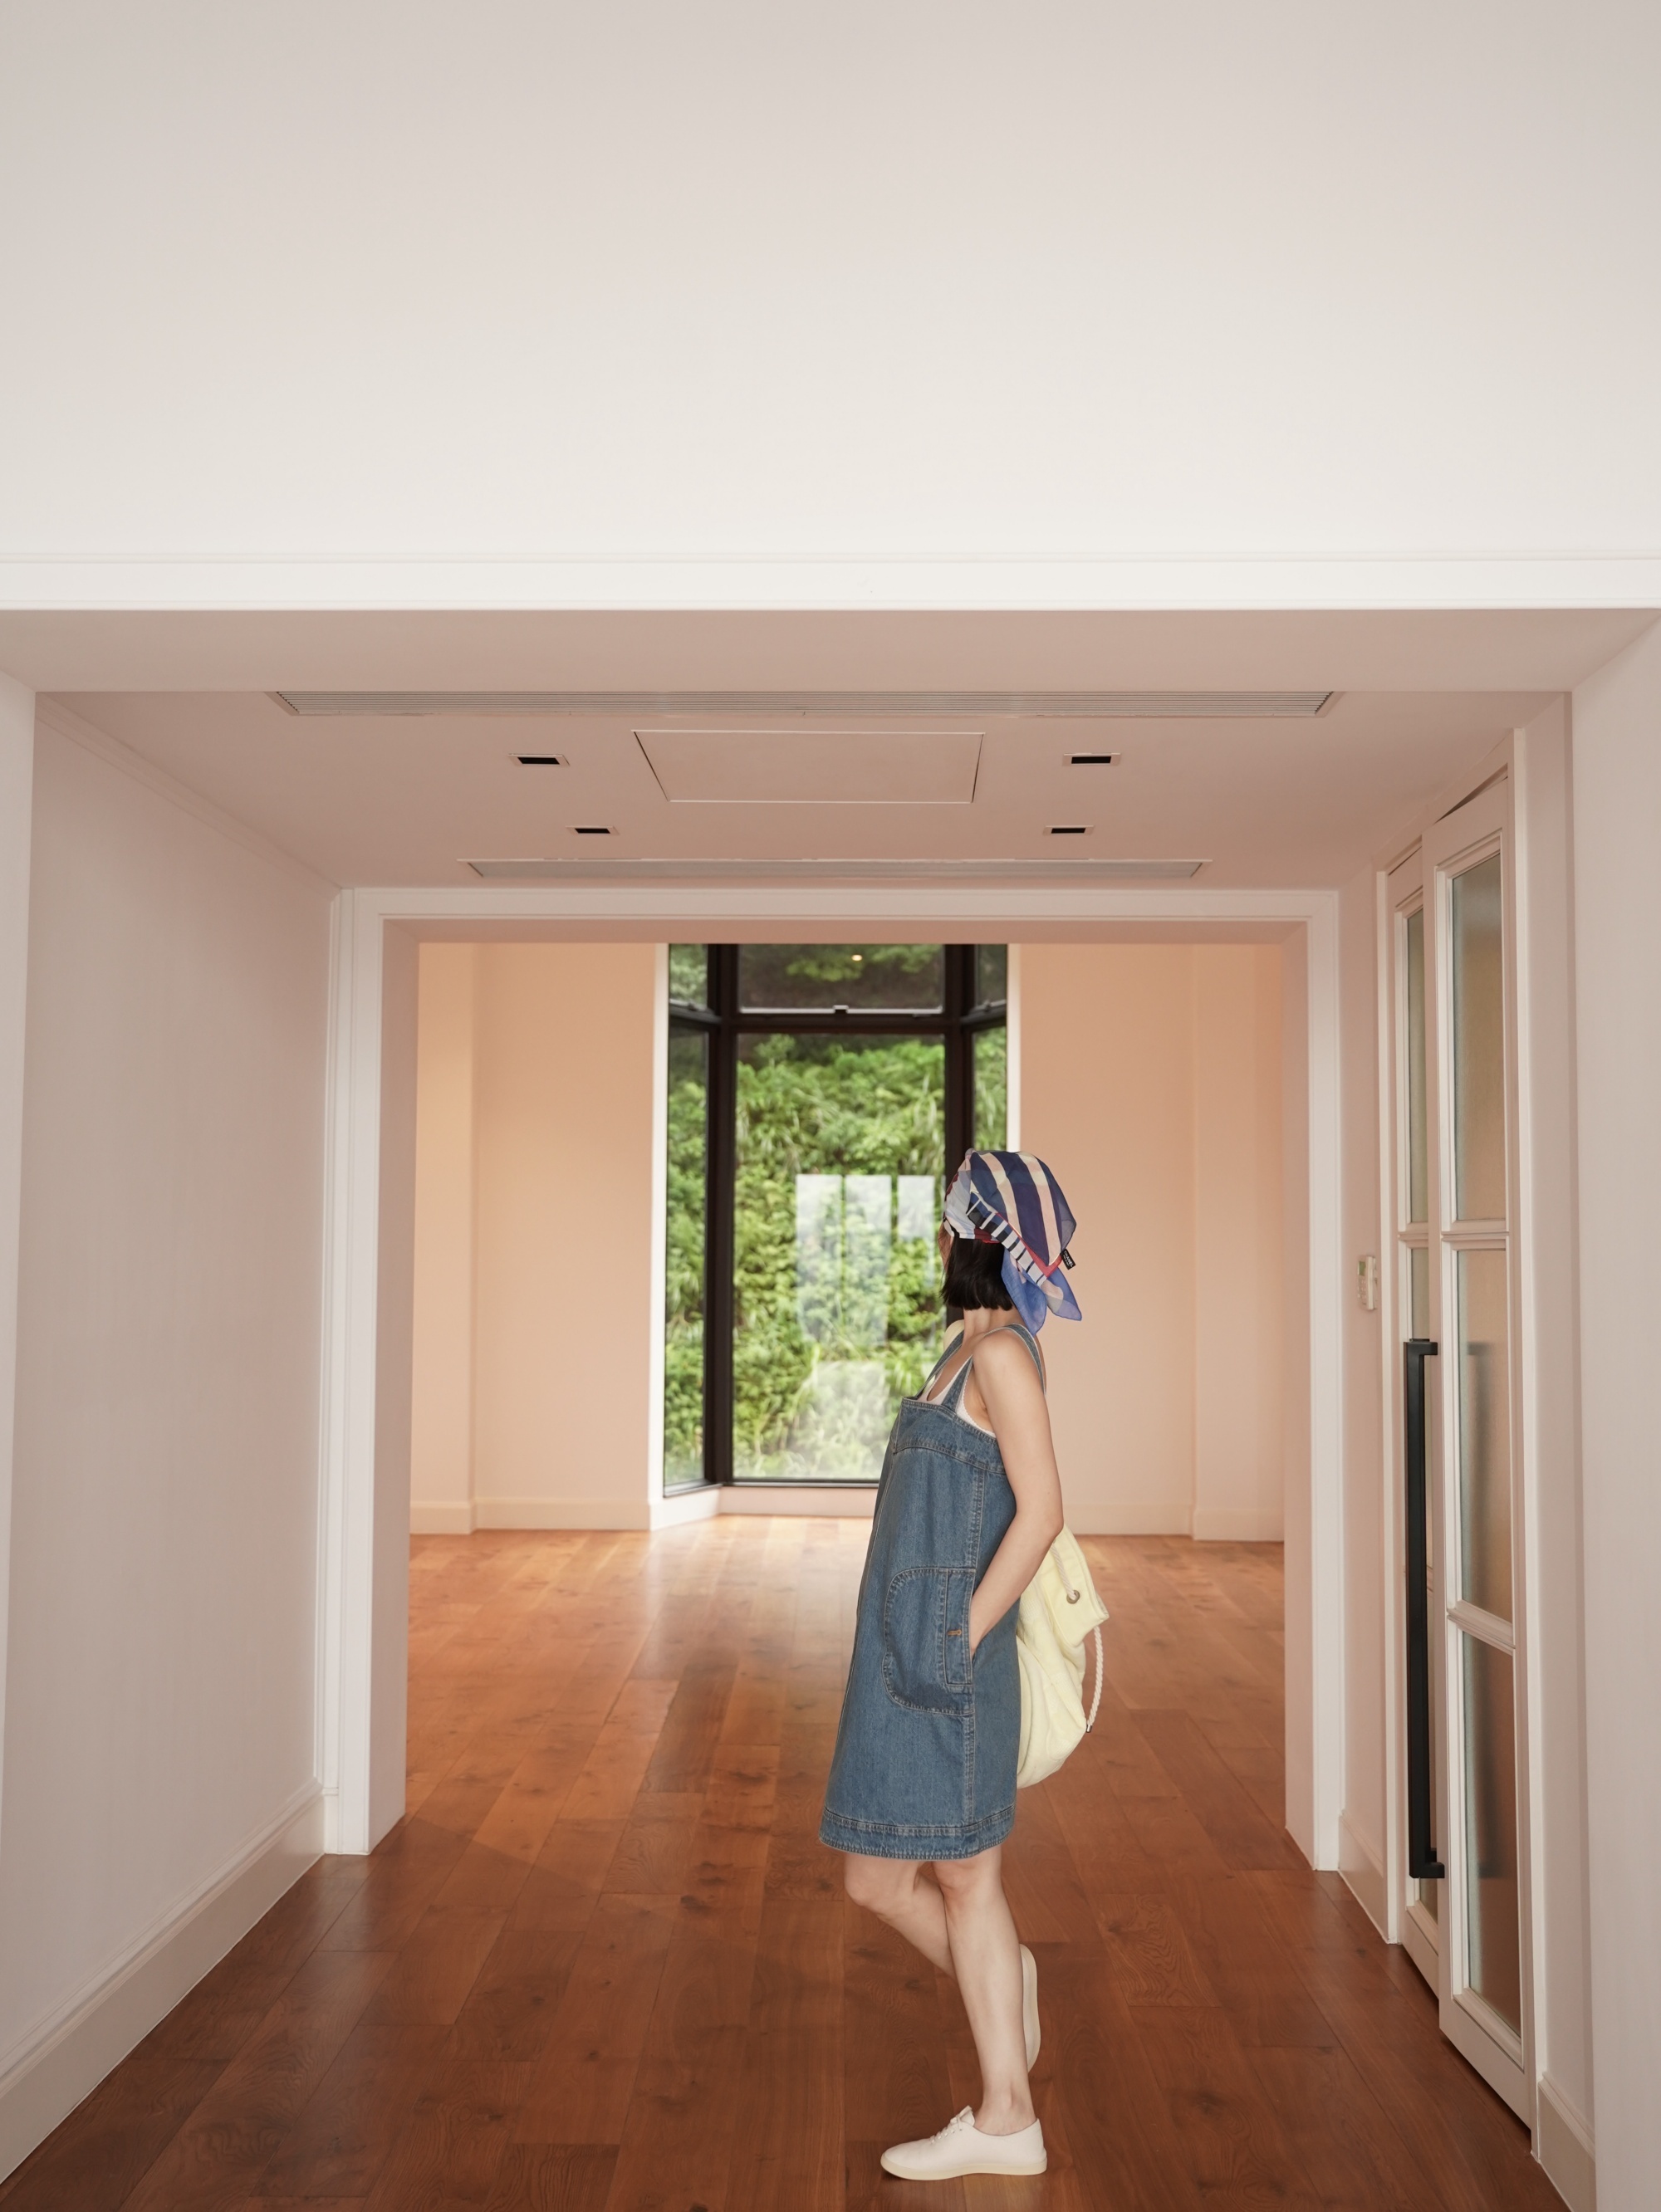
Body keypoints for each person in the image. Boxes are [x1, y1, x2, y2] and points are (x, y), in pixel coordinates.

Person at [820, 1148, 1082, 2183]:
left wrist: (960, 1632)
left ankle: (1006, 2116)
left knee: (966, 1878)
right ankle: (1003, 1979)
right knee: (874, 1879)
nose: (935, 1242)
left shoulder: (1004, 1357)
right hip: (900, 1655)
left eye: (945, 1228)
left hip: (947, 1661)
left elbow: (1042, 1511)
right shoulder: (963, 1351)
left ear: (967, 1240)